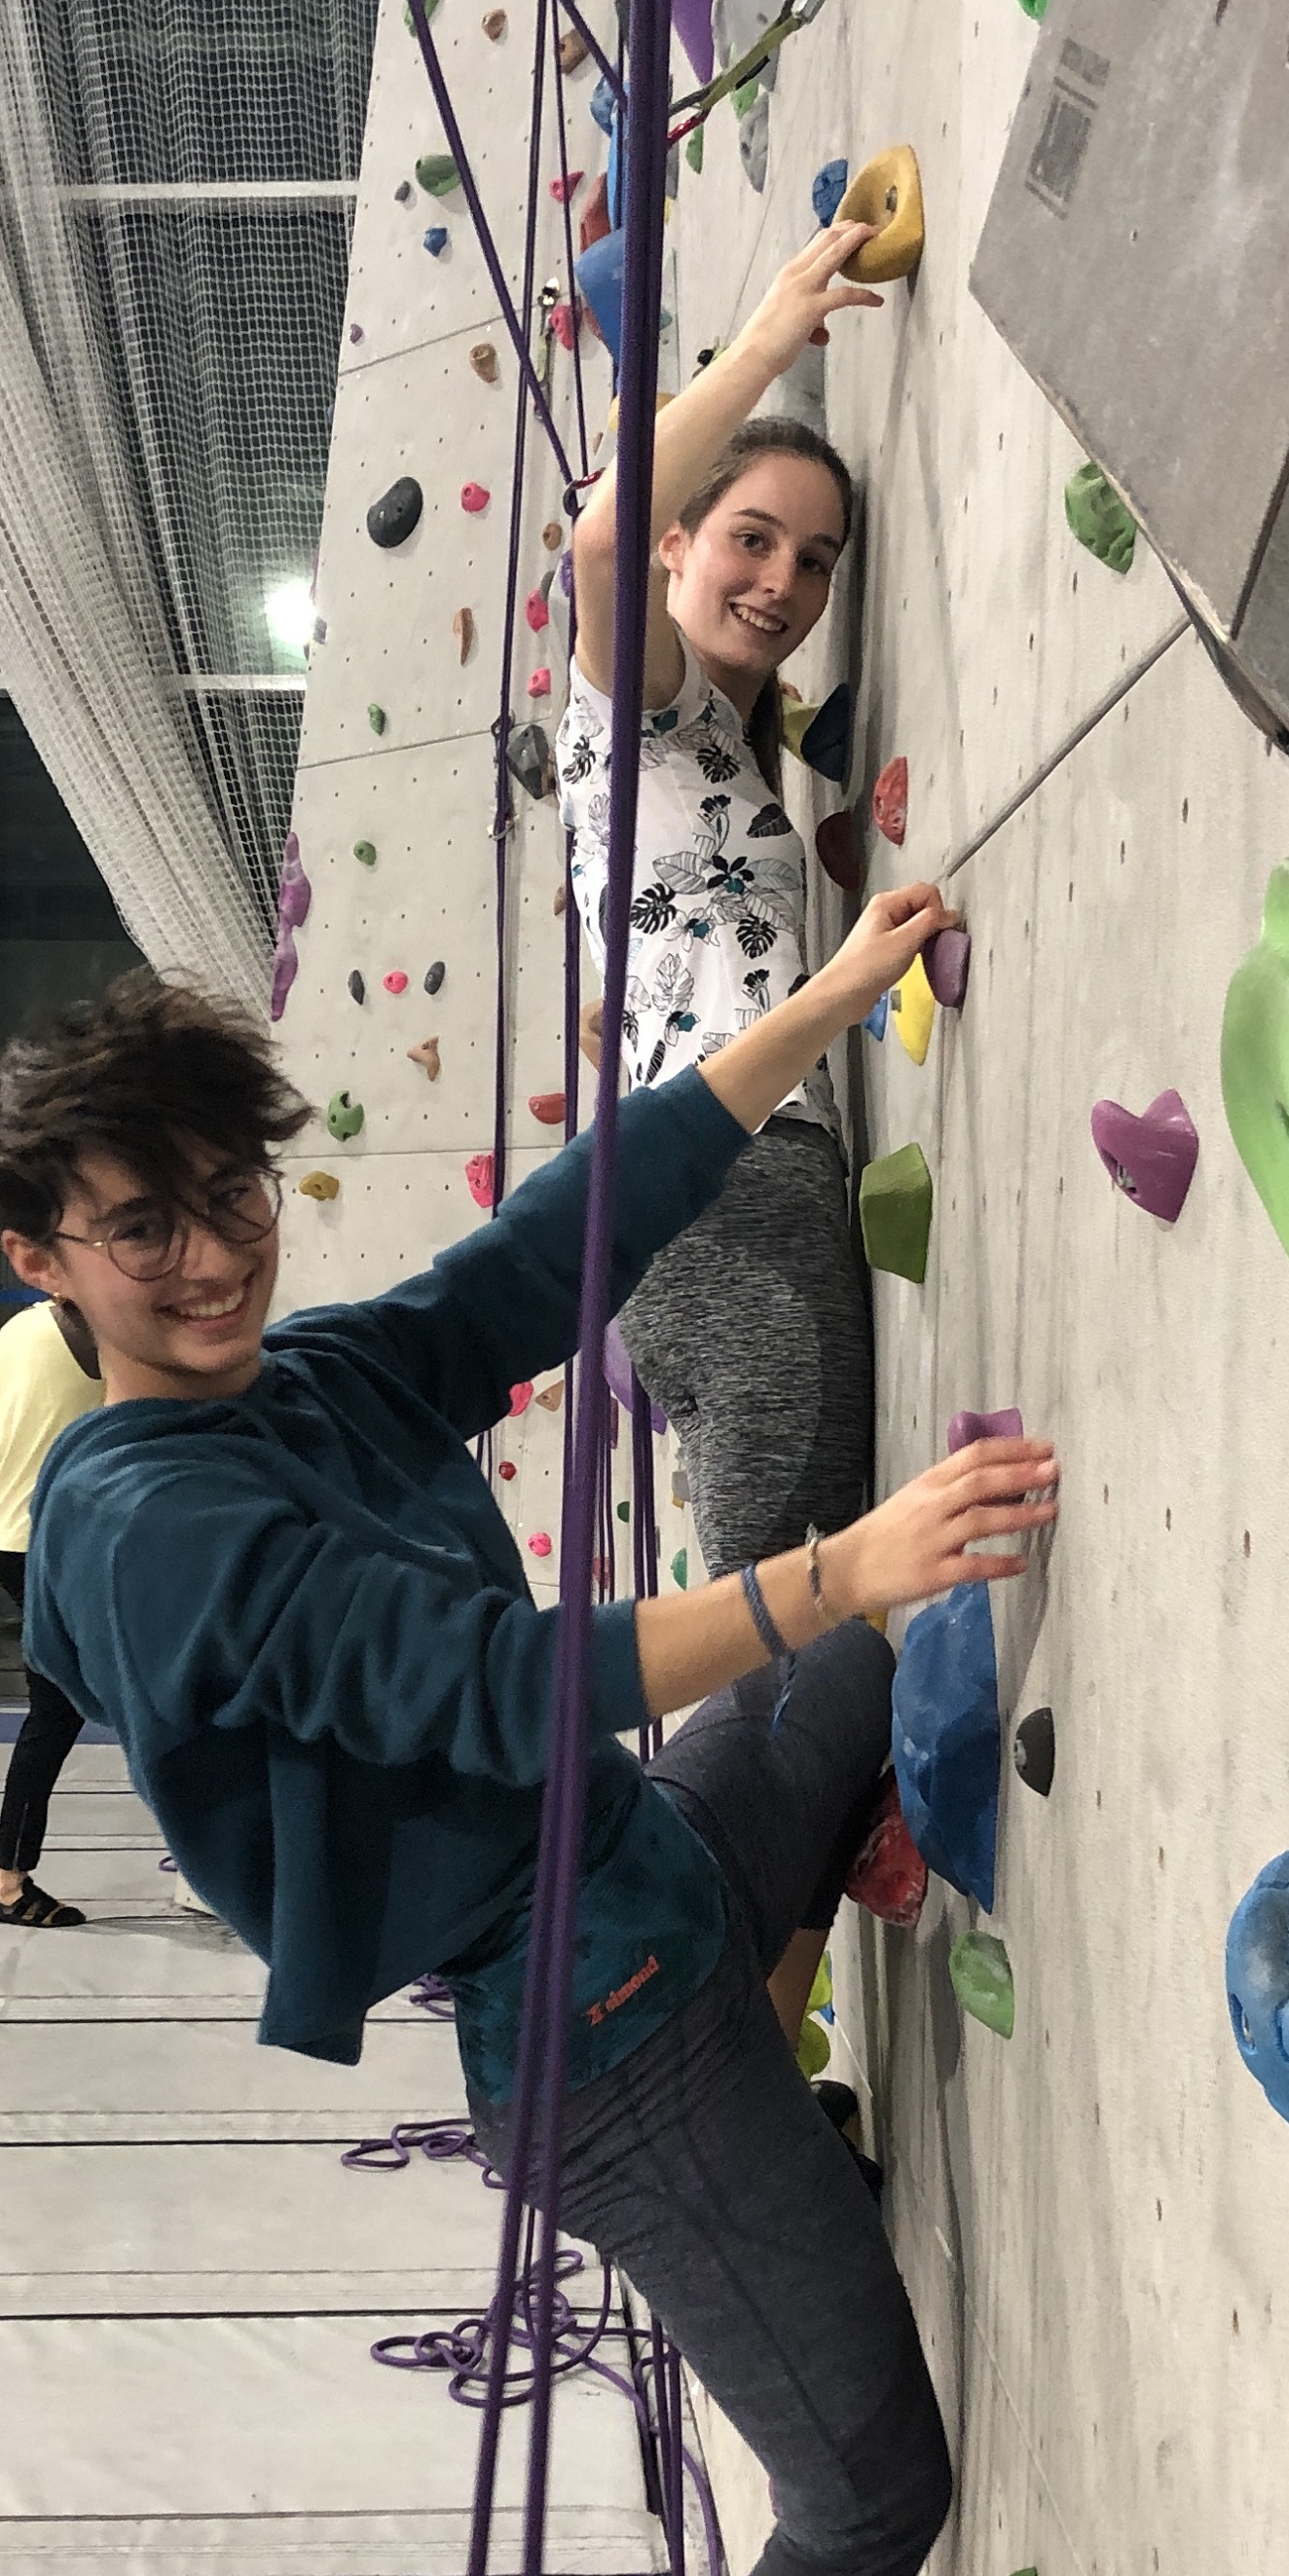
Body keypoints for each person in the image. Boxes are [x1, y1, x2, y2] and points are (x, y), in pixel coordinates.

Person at [0, 920, 1057, 2576]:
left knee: (867, 1666)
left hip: (651, 1882)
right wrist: (835, 1563)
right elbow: (500, 1684)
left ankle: (792, 2036)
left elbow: (547, 1252)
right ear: (39, 1253)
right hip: (599, 2043)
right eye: (141, 1224)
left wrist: (827, 996)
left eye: (229, 1195)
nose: (207, 1255)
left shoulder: (299, 1385)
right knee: (867, 2489)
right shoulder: (150, 1527)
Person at [560, 215, 884, 1580]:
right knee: (791, 1622)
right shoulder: (649, 704)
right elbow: (597, 546)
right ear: (679, 544)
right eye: (751, 539)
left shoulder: (714, 747)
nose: (783, 583)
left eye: (815, 560)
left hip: (707, 1193)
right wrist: (764, 341)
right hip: (734, 1185)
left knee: (793, 1605)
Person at [0, 1286, 103, 1927]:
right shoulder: (95, 1336)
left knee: (65, 1709)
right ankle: (7, 1880)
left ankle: (8, 1873)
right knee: (57, 1711)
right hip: (47, 1547)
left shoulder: (20, 1328)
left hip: (14, 1536)